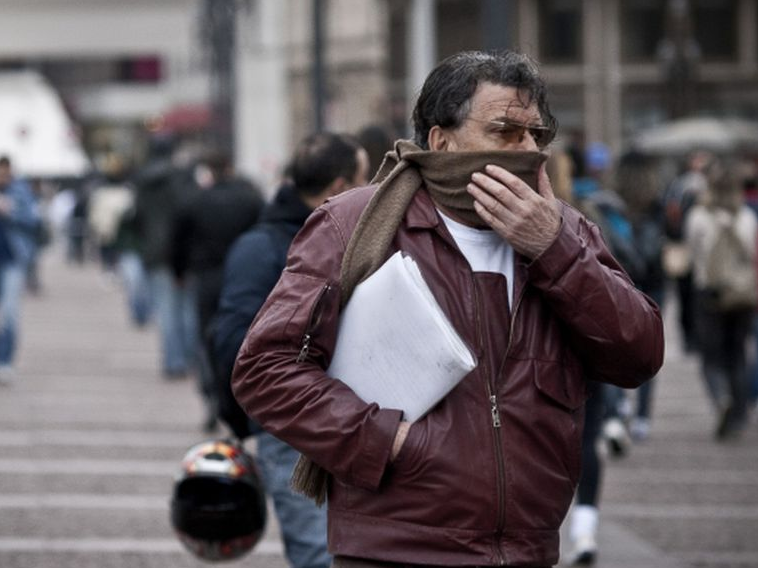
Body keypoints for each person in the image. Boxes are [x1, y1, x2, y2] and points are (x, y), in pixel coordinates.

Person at [232, 50, 663, 568]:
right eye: (505, 131)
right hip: (397, 548)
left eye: (536, 135)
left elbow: (639, 353)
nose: (527, 150)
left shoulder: (566, 230)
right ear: (441, 140)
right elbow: (264, 369)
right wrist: (387, 441)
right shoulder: (353, 224)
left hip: (526, 548)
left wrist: (555, 250)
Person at [213, 132, 369, 568]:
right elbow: (231, 345)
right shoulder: (263, 247)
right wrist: (250, 422)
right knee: (319, 555)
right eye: (363, 178)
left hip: (354, 422)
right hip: (291, 426)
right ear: (339, 187)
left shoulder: (348, 240)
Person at [172, 151, 264, 432]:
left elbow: (178, 239)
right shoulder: (251, 200)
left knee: (206, 340)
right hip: (243, 276)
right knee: (244, 336)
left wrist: (179, 271)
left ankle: (211, 393)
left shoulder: (196, 201)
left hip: (206, 277)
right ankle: (240, 396)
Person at [685, 157, 757, 440]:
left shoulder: (699, 216)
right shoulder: (747, 217)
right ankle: (739, 414)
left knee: (711, 357)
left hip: (710, 293)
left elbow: (693, 253)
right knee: (737, 354)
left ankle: (720, 397)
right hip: (742, 294)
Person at [132, 135, 199, 380]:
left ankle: (173, 361)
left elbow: (137, 216)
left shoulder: (142, 179)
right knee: (187, 309)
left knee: (166, 310)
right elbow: (192, 211)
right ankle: (190, 358)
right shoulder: (183, 177)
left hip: (155, 251)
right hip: (184, 250)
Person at [0, 155, 41, 385]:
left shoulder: (20, 191)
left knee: (10, 313)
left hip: (12, 260)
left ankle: (5, 361)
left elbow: (33, 219)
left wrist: (10, 211)